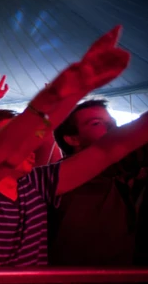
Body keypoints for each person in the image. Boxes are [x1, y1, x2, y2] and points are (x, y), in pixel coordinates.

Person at [0, 27, 147, 268]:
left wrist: (79, 89)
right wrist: (51, 97)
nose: (28, 142)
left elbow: (110, 149)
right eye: (14, 131)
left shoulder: (36, 183)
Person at [49, 100, 148, 265]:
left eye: (112, 121)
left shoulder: (117, 176)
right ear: (72, 139)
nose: (112, 127)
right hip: (81, 279)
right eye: (96, 123)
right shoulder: (68, 175)